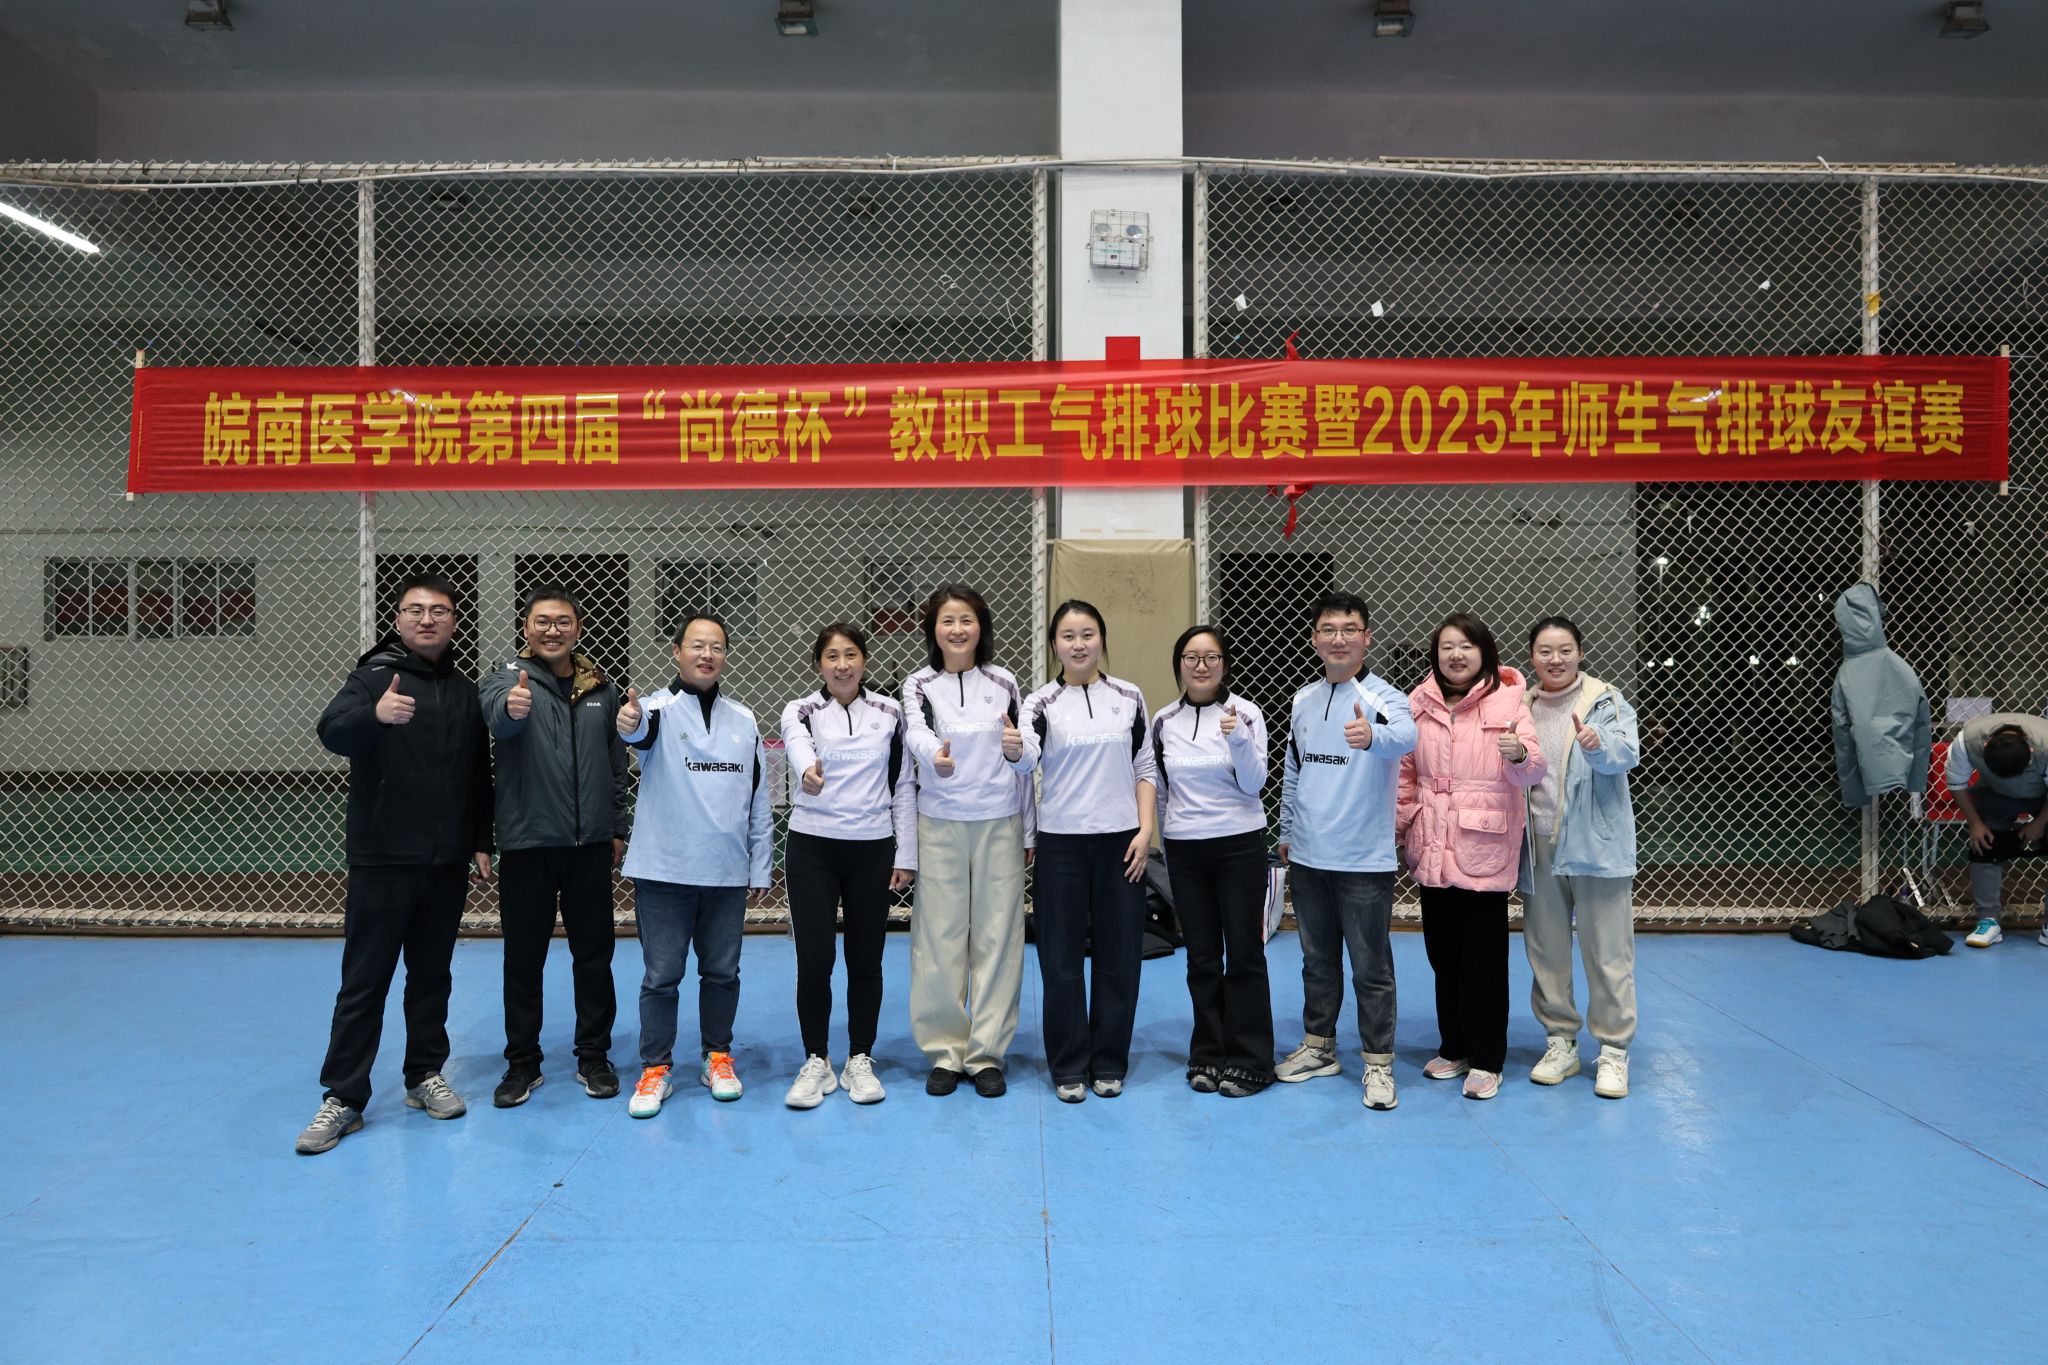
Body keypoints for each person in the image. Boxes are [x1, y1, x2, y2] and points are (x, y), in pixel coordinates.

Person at [296, 574, 494, 1155]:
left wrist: (479, 839)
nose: (427, 619)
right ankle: (343, 1096)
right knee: (365, 980)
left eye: (439, 611)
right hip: (383, 858)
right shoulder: (372, 677)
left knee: (432, 975)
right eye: (415, 610)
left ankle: (423, 1074)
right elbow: (332, 732)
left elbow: (477, 772)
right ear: (399, 619)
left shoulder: (463, 690)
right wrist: (376, 716)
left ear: (454, 621)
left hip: (445, 861)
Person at [478, 584, 631, 1108]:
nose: (552, 630)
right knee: (524, 957)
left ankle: (594, 1055)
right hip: (528, 844)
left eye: (563, 621)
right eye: (542, 621)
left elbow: (616, 764)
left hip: (589, 846)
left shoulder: (602, 688)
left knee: (594, 955)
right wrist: (513, 709)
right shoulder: (505, 679)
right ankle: (522, 1062)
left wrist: (616, 827)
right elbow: (497, 716)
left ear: (578, 629)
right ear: (526, 628)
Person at [615, 613, 772, 1117]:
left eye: (717, 647)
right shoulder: (655, 711)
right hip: (665, 871)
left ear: (725, 655)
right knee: (662, 976)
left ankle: (717, 1058)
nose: (707, 655)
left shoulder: (744, 719)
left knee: (722, 972)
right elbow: (637, 732)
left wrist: (761, 865)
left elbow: (758, 798)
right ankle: (655, 1068)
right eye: (697, 645)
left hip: (726, 872)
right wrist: (629, 723)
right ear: (677, 652)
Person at [1274, 592, 1417, 1110]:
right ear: (1314, 638)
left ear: (1366, 638)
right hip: (1309, 855)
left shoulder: (1384, 697)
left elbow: (1407, 736)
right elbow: (1294, 767)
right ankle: (1319, 1046)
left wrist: (1372, 735)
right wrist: (1287, 830)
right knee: (1316, 961)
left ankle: (1378, 1063)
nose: (1339, 638)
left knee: (1370, 967)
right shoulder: (1303, 699)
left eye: (1349, 629)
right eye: (1329, 629)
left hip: (1362, 860)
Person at [1398, 613, 1545, 1102]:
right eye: (1447, 647)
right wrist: (1401, 825)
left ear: (1484, 652)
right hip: (1432, 845)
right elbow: (1405, 774)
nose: (1456, 655)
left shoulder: (1510, 700)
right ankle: (1454, 1047)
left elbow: (1534, 770)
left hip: (1483, 846)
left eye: (1466, 646)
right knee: (1443, 956)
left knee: (1483, 959)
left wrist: (1519, 754)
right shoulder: (1419, 703)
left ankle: (1486, 1059)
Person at [901, 583, 1038, 1098]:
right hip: (940, 824)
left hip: (999, 822)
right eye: (947, 621)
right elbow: (915, 731)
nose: (957, 630)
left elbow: (1021, 757)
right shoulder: (919, 684)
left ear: (981, 628)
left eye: (966, 620)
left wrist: (1027, 828)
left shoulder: (1004, 682)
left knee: (998, 938)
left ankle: (986, 1054)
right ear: (933, 630)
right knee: (938, 938)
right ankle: (945, 1051)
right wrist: (933, 754)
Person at [1019, 601, 1157, 1102]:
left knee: (1120, 956)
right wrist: (1014, 750)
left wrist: (1145, 831)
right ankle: (1069, 1064)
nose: (1079, 644)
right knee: (1060, 959)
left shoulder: (1129, 696)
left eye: (1088, 634)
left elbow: (1145, 767)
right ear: (1054, 644)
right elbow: (1026, 759)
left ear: (1101, 639)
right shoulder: (1040, 703)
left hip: (1122, 844)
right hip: (1061, 844)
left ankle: (1109, 1061)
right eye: (1068, 636)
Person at [778, 623, 919, 1107]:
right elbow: (796, 743)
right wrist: (807, 770)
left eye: (851, 655)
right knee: (815, 958)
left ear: (864, 660)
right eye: (832, 656)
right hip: (812, 848)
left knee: (866, 958)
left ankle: (860, 1057)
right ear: (819, 663)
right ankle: (816, 1059)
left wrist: (906, 854)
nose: (842, 665)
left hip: (871, 849)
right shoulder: (801, 710)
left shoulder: (890, 712)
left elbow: (902, 786)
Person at [1519, 617, 1641, 1100]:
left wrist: (1597, 744)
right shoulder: (1522, 705)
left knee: (1608, 952)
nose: (1556, 659)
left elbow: (1626, 753)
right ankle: (1561, 1042)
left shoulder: (1606, 700)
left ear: (1581, 653)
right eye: (1545, 651)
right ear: (1532, 656)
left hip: (1595, 846)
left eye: (1565, 650)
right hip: (1539, 844)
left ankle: (1613, 1050)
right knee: (1546, 950)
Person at [1151, 624, 1275, 1096]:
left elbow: (1254, 784)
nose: (1201, 666)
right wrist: (1172, 839)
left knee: (1244, 953)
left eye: (1211, 657)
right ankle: (1207, 1053)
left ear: (1224, 664)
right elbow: (1162, 792)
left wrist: (1238, 739)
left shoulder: (1247, 713)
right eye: (1191, 657)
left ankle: (1250, 1059)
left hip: (1239, 845)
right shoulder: (1164, 720)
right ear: (1179, 664)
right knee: (1201, 957)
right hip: (1186, 849)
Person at [1948, 713, 2048, 948]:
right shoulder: (1965, 742)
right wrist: (1975, 823)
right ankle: (1988, 921)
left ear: (2031, 751)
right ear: (1985, 747)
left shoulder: (2045, 744)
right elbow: (1956, 783)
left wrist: (2039, 824)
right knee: (1984, 844)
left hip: (2043, 795)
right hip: (1995, 793)